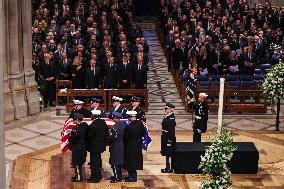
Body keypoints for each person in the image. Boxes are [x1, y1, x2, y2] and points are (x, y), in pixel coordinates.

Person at [86, 110, 109, 183]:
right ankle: (99, 175)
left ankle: (95, 178)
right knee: (98, 160)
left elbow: (89, 136)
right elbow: (106, 132)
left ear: (93, 115)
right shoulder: (102, 122)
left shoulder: (93, 125)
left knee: (94, 163)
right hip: (101, 145)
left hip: (94, 146)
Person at [124, 111, 146, 182]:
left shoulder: (129, 127)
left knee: (130, 161)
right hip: (138, 145)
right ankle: (132, 176)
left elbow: (125, 137)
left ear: (130, 118)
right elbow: (144, 133)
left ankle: (132, 177)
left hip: (130, 146)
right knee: (135, 161)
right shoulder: (140, 124)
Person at [68, 113, 88, 182]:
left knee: (77, 162)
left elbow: (73, 137)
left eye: (73, 119)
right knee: (79, 162)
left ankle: (79, 177)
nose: (72, 120)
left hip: (78, 147)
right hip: (81, 146)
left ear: (77, 119)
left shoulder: (78, 128)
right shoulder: (83, 126)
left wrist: (69, 139)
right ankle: (78, 176)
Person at [108, 112, 126, 183]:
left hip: (115, 146)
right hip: (122, 144)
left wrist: (106, 139)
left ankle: (117, 178)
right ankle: (119, 175)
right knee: (119, 161)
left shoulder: (115, 127)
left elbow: (112, 137)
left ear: (116, 118)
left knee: (115, 162)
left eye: (113, 118)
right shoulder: (123, 124)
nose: (112, 119)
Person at [160, 103, 176, 173]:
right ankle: (167, 167)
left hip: (168, 137)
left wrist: (169, 141)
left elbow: (171, 131)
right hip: (165, 136)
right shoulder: (167, 116)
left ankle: (168, 168)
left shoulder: (171, 118)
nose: (164, 109)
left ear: (170, 109)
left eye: (166, 109)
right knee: (166, 152)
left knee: (168, 153)